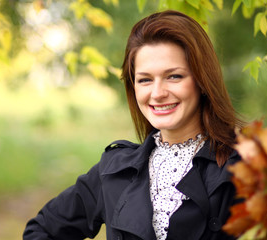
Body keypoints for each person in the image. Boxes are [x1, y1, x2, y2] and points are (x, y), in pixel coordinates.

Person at [23, 10, 245, 240]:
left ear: (202, 80)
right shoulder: (115, 170)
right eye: (145, 80)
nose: (157, 93)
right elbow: (41, 230)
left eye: (174, 76)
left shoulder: (246, 163)